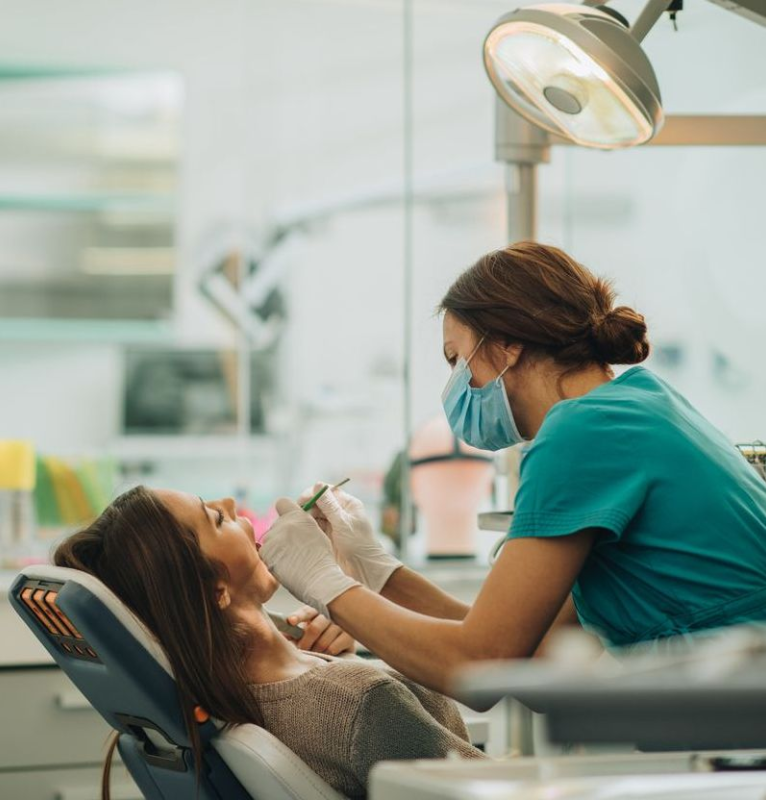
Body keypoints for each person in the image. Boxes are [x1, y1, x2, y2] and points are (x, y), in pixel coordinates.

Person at [261, 240, 766, 704]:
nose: (456, 387)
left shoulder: (582, 432)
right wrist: (377, 571)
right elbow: (532, 644)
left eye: (458, 360)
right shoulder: (636, 402)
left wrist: (324, 583)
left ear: (507, 345)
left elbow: (479, 665)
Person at [53, 486, 484, 799]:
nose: (232, 509)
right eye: (217, 519)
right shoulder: (359, 701)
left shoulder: (227, 694)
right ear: (215, 590)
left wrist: (349, 642)